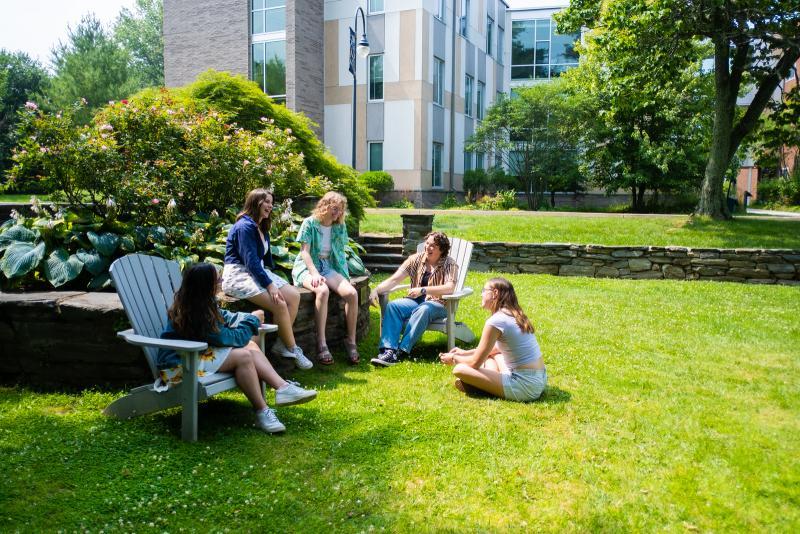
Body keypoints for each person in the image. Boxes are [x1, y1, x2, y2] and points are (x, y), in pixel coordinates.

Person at [158, 263, 317, 433]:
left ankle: (283, 388)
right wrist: (253, 320)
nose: (221, 281)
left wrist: (247, 316)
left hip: (196, 355)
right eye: (217, 280)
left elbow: (225, 317)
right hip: (179, 366)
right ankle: (262, 411)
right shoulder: (196, 313)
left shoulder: (201, 302)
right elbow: (233, 338)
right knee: (243, 355)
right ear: (205, 286)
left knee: (250, 345)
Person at [222, 188, 313, 370]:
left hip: (256, 271)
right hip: (239, 274)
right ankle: (293, 348)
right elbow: (250, 262)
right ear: (256, 202)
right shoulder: (244, 226)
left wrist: (271, 280)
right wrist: (270, 286)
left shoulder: (261, 226)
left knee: (294, 296)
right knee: (278, 302)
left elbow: (262, 262)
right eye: (266, 202)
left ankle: (281, 344)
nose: (270, 206)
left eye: (271, 203)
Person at [439, 277, 546, 402]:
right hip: (539, 379)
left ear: (495, 293)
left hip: (525, 386)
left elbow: (475, 363)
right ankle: (486, 383)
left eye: (484, 290)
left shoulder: (496, 321)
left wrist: (453, 358)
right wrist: (464, 352)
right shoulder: (513, 313)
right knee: (492, 355)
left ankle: (483, 386)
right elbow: (494, 349)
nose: (481, 294)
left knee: (459, 369)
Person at [368, 231, 458, 367]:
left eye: (433, 245)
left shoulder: (449, 264)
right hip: (415, 301)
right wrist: (376, 290)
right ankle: (388, 350)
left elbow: (450, 288)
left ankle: (401, 351)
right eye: (427, 243)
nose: (428, 247)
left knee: (423, 309)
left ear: (442, 249)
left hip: (438, 304)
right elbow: (394, 279)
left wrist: (423, 290)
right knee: (393, 306)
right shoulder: (415, 259)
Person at [292, 191, 360, 365]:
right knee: (322, 291)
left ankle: (350, 341)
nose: (338, 213)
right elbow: (304, 253)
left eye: (341, 210)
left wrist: (344, 276)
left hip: (328, 267)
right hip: (308, 266)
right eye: (335, 209)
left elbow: (339, 254)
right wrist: (314, 273)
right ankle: (321, 343)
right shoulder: (310, 223)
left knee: (352, 294)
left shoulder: (339, 227)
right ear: (325, 206)